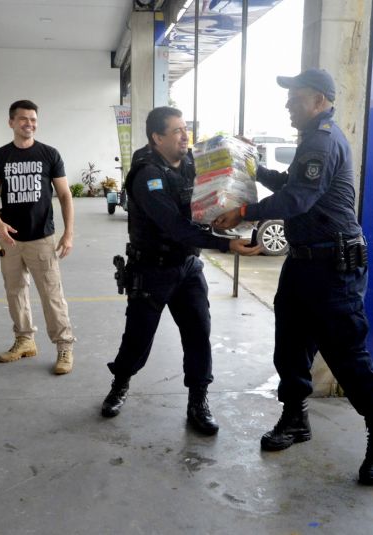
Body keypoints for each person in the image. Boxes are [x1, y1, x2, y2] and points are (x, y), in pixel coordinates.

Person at [213, 68, 373, 484]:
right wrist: (255, 167)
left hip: (333, 268)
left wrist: (244, 211)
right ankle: (295, 419)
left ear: (319, 100)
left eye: (295, 98)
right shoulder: (312, 140)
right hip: (303, 264)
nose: (287, 104)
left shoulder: (322, 140)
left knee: (347, 357)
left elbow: (298, 198)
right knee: (290, 348)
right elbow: (291, 183)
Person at [100, 106, 260, 436]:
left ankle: (198, 401)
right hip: (152, 269)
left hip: (188, 267)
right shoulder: (147, 175)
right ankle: (120, 383)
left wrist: (237, 150)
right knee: (138, 339)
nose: (184, 135)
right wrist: (225, 245)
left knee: (198, 333)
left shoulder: (189, 162)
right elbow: (174, 226)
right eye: (177, 131)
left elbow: (218, 165)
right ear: (157, 137)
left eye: (186, 129)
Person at [0, 100, 76, 374]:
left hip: (41, 238)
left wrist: (68, 233)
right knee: (15, 292)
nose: (29, 124)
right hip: (10, 240)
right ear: (11, 122)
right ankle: (25, 340)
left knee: (51, 295)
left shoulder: (49, 154)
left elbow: (64, 195)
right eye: (23, 119)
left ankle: (64, 347)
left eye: (33, 119)